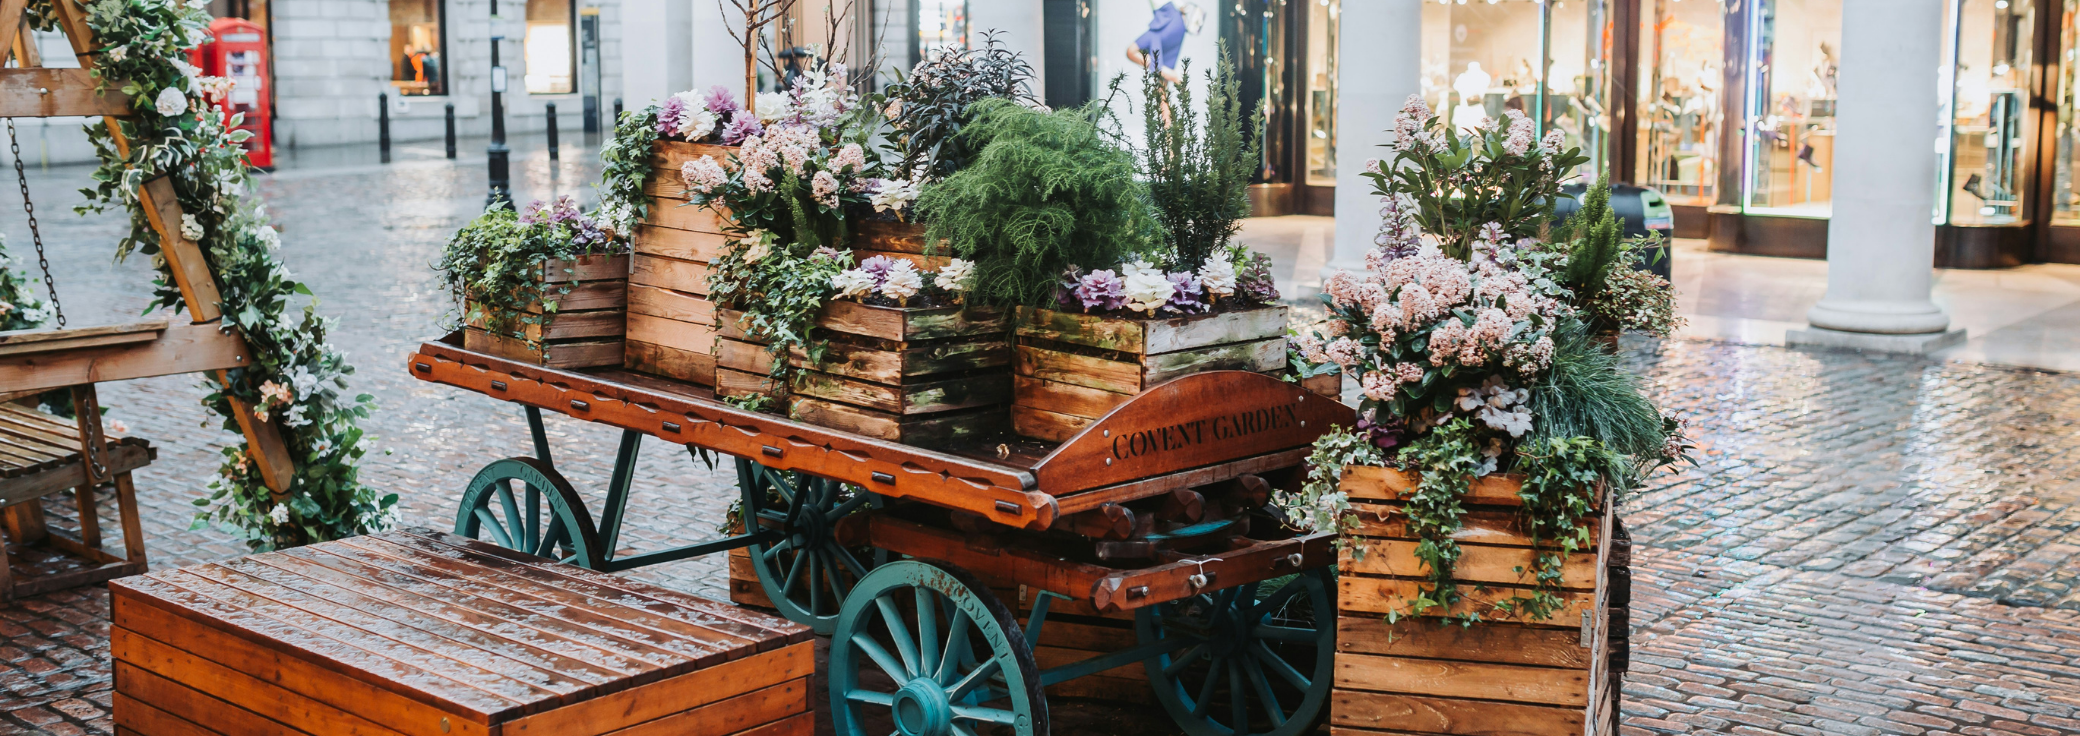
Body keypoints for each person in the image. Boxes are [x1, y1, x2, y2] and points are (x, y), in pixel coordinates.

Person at [1127, 1, 1186, 84]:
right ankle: (1170, 74)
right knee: (1162, 82)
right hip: (1177, 21)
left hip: (1168, 19)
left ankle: (1173, 76)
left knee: (1131, 51)